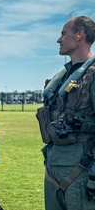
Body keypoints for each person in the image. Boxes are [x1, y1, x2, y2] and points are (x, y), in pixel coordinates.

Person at [37, 16, 95, 210]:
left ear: (79, 35)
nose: (59, 40)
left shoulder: (92, 75)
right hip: (53, 168)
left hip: (82, 170)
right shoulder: (62, 78)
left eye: (63, 34)